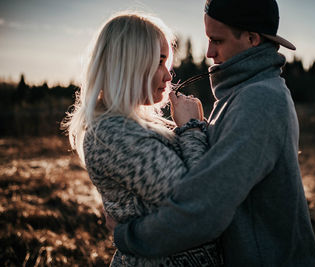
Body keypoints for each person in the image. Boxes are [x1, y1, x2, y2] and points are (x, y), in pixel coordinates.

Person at [111, 0, 315, 266]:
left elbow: (204, 209)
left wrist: (127, 236)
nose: (209, 52)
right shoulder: (241, 93)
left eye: (216, 41)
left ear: (252, 38)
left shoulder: (260, 99)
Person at [62, 11, 224, 266]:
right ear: (129, 63)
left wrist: (194, 128)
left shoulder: (140, 125)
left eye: (166, 64)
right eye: (159, 62)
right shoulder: (112, 134)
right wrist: (192, 128)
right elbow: (196, 200)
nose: (169, 77)